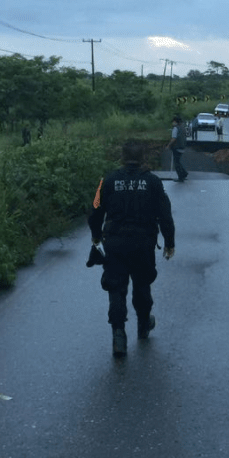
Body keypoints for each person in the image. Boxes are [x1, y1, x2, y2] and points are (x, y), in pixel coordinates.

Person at [88, 141, 176, 357]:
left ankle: (118, 335)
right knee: (142, 285)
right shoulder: (154, 182)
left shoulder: (107, 181)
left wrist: (97, 236)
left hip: (115, 243)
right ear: (143, 158)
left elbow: (95, 210)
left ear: (122, 157)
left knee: (116, 288)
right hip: (143, 243)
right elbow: (165, 214)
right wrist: (169, 242)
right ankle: (144, 324)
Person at [166, 115, 188, 182]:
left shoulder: (176, 128)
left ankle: (181, 177)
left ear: (175, 121)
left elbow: (174, 138)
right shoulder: (183, 127)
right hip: (182, 146)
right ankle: (184, 173)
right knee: (178, 161)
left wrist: (168, 145)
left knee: (176, 163)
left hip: (177, 147)